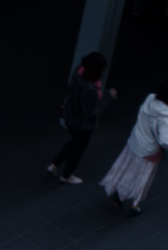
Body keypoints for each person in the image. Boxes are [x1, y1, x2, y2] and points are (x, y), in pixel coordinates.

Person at [98, 79, 168, 215]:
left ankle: (113, 189)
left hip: (134, 141)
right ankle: (134, 205)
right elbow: (166, 141)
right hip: (149, 151)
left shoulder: (150, 98)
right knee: (142, 177)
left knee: (125, 166)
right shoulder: (167, 117)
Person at [48, 53, 118, 184]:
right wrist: (108, 97)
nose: (103, 72)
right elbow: (92, 112)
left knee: (74, 141)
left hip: (70, 116)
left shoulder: (78, 72)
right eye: (102, 69)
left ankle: (54, 165)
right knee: (78, 149)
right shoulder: (89, 89)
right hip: (81, 124)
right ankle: (66, 176)